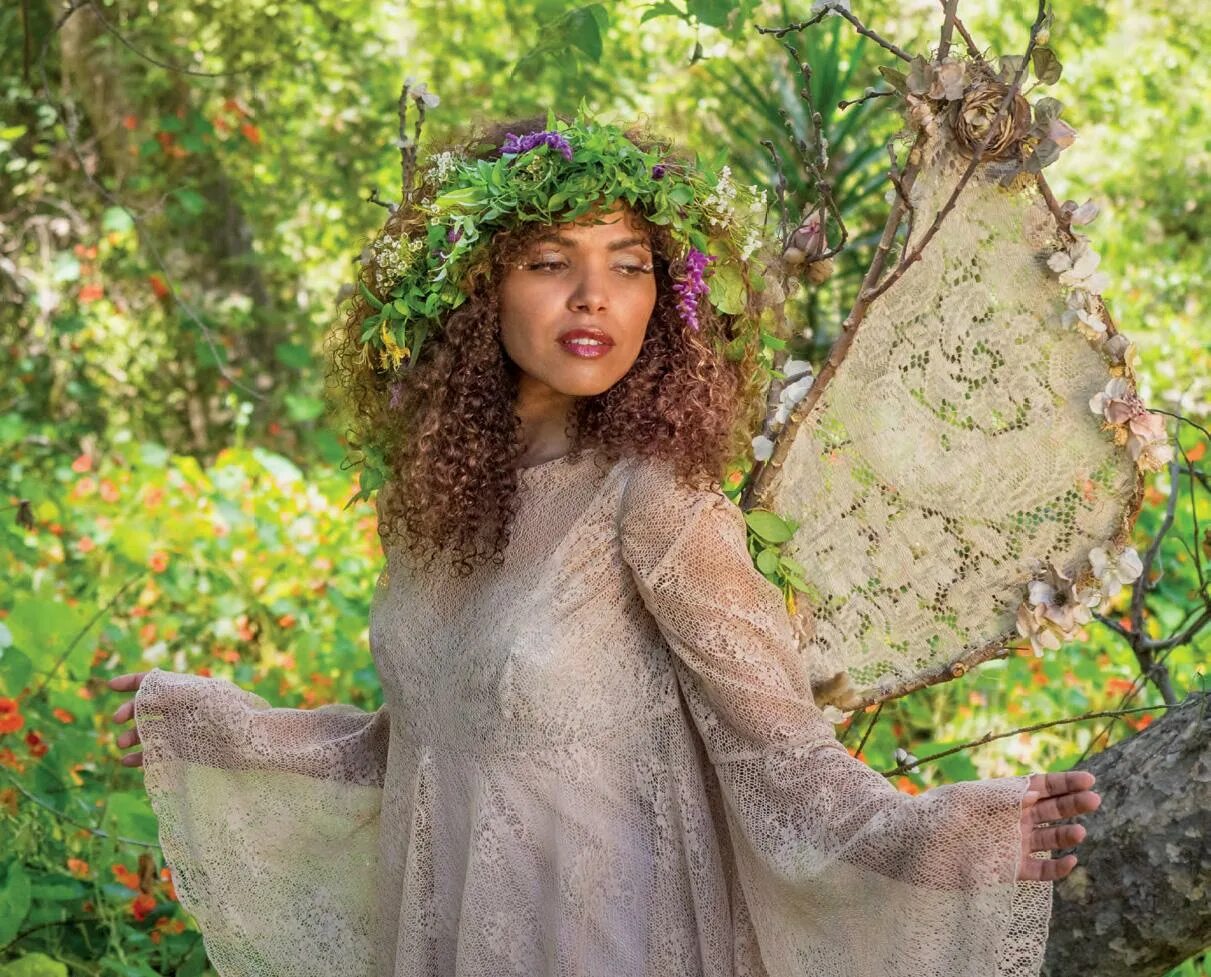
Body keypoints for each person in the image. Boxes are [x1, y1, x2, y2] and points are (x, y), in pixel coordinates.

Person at [105, 109, 1100, 977]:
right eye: (551, 262)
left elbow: (785, 761)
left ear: (661, 299)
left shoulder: (653, 500)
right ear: (478, 288)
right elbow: (421, 746)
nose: (594, 296)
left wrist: (947, 837)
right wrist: (216, 730)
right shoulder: (434, 508)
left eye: (628, 266)